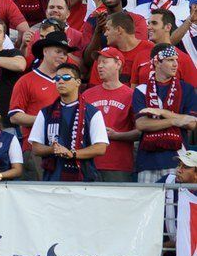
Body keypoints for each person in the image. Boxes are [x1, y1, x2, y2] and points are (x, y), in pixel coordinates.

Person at [29, 62, 109, 181]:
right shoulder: (45, 112)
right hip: (52, 176)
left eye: (66, 77)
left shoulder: (92, 112)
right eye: (57, 78)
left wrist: (72, 154)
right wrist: (53, 149)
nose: (60, 81)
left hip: (83, 176)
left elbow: (100, 147)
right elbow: (36, 148)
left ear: (78, 82)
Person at [9, 31, 72, 178]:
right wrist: (46, 119)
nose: (62, 56)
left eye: (64, 53)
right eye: (58, 51)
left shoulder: (69, 82)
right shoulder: (26, 80)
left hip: (66, 149)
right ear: (45, 51)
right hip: (35, 149)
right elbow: (14, 116)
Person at [133, 43, 197, 182]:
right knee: (147, 203)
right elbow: (142, 124)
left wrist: (161, 112)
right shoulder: (142, 90)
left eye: (176, 60)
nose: (175, 64)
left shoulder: (186, 89)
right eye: (170, 60)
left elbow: (191, 123)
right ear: (157, 62)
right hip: (147, 161)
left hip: (177, 161)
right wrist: (174, 120)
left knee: (174, 202)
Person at [82, 47, 140, 181]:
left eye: (104, 61)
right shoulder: (87, 95)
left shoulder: (131, 95)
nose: (99, 66)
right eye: (98, 62)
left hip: (119, 165)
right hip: (89, 163)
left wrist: (117, 135)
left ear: (118, 64)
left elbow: (140, 131)